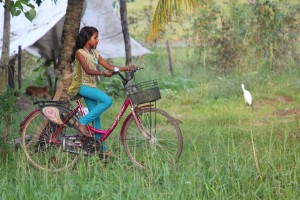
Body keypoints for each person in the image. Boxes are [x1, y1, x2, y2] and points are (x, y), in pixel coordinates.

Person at [67, 26, 136, 156]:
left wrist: (127, 69)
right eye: (95, 37)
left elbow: (110, 66)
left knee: (96, 119)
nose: (98, 40)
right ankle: (81, 122)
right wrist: (103, 73)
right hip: (81, 86)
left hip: (91, 86)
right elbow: (87, 70)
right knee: (107, 100)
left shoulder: (94, 53)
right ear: (87, 39)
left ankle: (102, 150)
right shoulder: (80, 53)